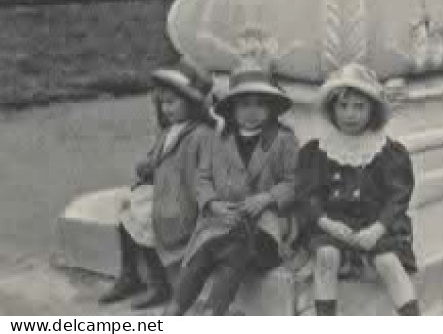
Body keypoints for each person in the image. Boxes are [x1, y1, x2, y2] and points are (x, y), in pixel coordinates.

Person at [167, 64, 299, 316]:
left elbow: (295, 181)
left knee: (237, 244)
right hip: (224, 220)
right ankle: (175, 309)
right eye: (244, 104)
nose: (252, 112)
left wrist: (268, 197)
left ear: (271, 108)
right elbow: (202, 179)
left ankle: (212, 312)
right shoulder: (219, 139)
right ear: (232, 109)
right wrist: (213, 204)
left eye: (260, 104)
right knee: (205, 251)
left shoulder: (283, 139)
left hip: (265, 227)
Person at [296, 62, 420, 315]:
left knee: (387, 261)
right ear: (332, 109)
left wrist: (377, 229)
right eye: (343, 106)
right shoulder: (319, 150)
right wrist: (328, 224)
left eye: (358, 107)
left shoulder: (385, 151)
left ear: (372, 111)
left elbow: (399, 195)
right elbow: (308, 194)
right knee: (326, 256)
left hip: (375, 222)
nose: (350, 114)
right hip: (334, 222)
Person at [101, 61, 213, 309]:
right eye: (163, 103)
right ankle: (129, 274)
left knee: (152, 219)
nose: (167, 108)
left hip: (181, 195)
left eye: (172, 102)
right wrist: (148, 165)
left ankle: (159, 284)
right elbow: (157, 158)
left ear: (192, 104)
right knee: (127, 212)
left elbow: (201, 173)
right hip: (162, 190)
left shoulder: (201, 135)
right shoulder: (169, 131)